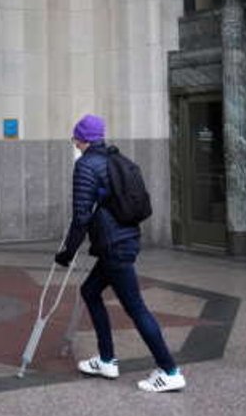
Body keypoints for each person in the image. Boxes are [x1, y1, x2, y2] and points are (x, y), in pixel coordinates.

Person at [54, 114, 186, 393]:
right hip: (124, 240)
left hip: (114, 247)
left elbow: (81, 216)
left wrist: (67, 252)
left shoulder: (86, 165)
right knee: (90, 291)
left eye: (75, 137)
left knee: (135, 307)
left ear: (82, 139)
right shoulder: (114, 159)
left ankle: (170, 370)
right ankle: (106, 360)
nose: (74, 141)